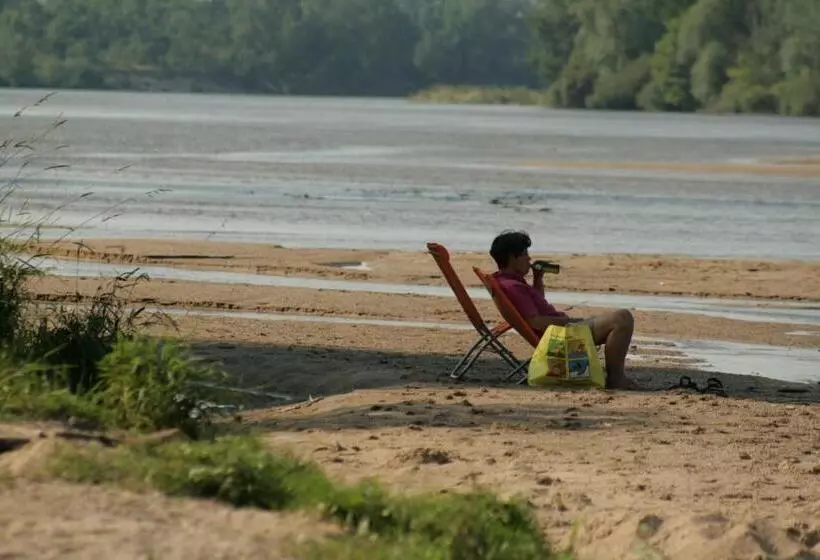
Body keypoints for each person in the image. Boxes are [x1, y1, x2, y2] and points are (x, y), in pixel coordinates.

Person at [490, 230, 636, 390]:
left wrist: (538, 278)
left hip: (555, 330)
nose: (529, 258)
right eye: (525, 254)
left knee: (610, 318)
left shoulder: (506, 281)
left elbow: (537, 303)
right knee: (622, 318)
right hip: (558, 337)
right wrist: (567, 321)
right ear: (512, 258)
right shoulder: (514, 286)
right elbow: (535, 322)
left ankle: (614, 375)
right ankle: (616, 378)